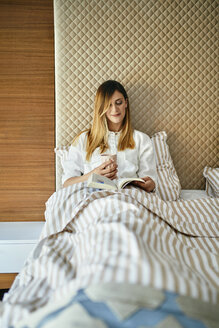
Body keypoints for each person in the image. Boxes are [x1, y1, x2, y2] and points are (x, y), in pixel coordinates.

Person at [62, 80, 157, 192]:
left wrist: (149, 185)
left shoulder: (141, 139)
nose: (114, 110)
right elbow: (67, 184)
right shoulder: (84, 139)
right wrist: (92, 175)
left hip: (129, 197)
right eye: (108, 105)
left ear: (126, 103)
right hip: (94, 198)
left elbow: (150, 182)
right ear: (101, 107)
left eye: (119, 103)